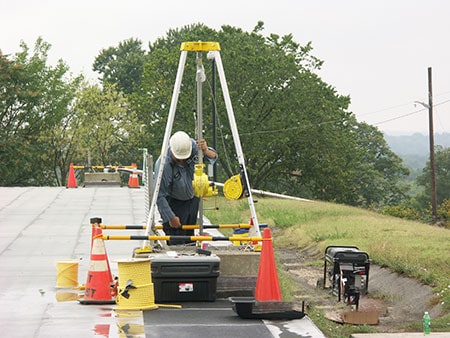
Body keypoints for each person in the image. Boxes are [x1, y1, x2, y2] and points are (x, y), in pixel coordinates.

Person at [154, 131, 218, 245]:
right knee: (177, 241)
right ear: (172, 150)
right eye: (179, 159)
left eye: (185, 157)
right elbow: (159, 195)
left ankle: (191, 256)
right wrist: (170, 217)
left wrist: (205, 150)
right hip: (174, 203)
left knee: (189, 238)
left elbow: (213, 157)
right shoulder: (164, 164)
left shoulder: (193, 146)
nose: (182, 161)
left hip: (192, 199)